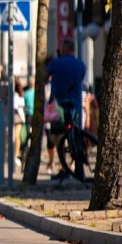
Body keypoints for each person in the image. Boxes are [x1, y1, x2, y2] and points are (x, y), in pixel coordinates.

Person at [47, 38, 88, 181]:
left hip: (59, 105)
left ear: (63, 49)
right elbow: (82, 78)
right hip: (75, 104)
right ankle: (79, 166)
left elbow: (46, 74)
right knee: (75, 134)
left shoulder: (56, 63)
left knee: (58, 136)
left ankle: (64, 167)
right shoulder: (80, 65)